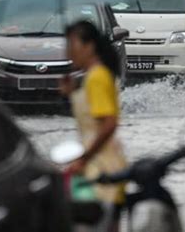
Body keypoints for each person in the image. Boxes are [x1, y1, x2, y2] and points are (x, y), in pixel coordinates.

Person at [60, 21, 127, 232]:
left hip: (101, 170)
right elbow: (91, 118)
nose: (68, 52)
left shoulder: (97, 77)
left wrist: (84, 159)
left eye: (72, 45)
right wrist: (70, 94)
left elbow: (109, 123)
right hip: (100, 167)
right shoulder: (94, 76)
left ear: (89, 46)